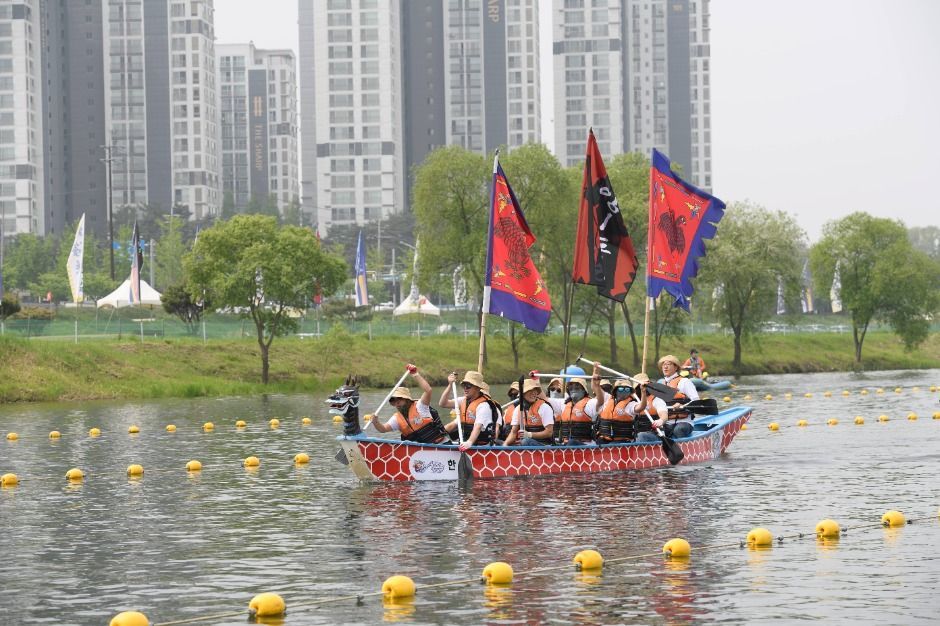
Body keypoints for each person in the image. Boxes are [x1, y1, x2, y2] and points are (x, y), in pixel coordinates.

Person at [370, 369, 447, 444]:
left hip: (440, 445)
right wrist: (375, 422)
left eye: (399, 399)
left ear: (407, 400)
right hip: (418, 451)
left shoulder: (420, 406)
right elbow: (383, 429)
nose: (397, 403)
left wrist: (415, 374)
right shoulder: (397, 418)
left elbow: (428, 390)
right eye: (394, 401)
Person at [439, 370, 497, 450]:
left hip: (482, 447)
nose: (465, 389)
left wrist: (469, 442)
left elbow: (477, 427)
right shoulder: (463, 400)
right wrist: (450, 385)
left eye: (468, 386)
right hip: (465, 443)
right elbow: (443, 403)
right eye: (464, 386)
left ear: (477, 388)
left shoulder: (484, 406)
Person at [554, 362, 604, 445]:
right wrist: (536, 380)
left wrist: (597, 385)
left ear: (584, 390)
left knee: (571, 442)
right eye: (571, 387)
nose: (573, 389)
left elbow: (600, 401)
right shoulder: (563, 404)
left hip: (585, 446)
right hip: (566, 445)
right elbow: (544, 399)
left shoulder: (590, 403)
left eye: (577, 387)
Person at [657, 354, 700, 438]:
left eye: (668, 364)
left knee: (678, 430)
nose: (665, 367)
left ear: (676, 367)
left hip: (685, 422)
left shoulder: (685, 382)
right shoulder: (661, 385)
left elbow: (696, 401)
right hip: (667, 422)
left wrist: (682, 406)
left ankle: (684, 449)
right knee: (655, 431)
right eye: (663, 365)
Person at [503, 378, 554, 446]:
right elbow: (513, 432)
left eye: (535, 390)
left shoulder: (544, 407)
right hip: (527, 443)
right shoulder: (518, 409)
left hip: (545, 445)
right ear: (523, 394)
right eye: (530, 390)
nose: (534, 393)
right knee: (503, 443)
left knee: (525, 441)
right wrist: (505, 445)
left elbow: (549, 432)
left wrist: (529, 434)